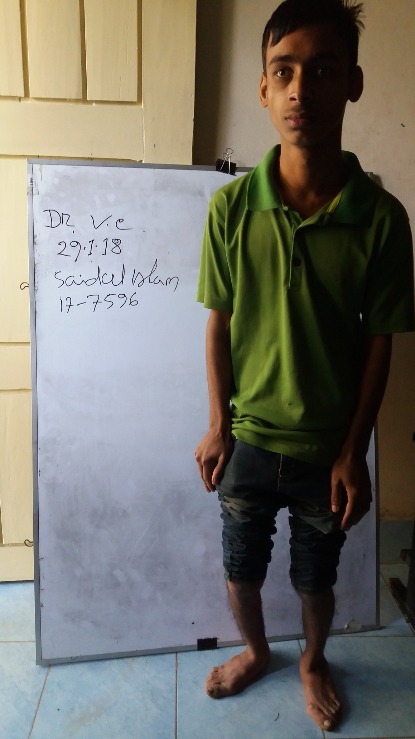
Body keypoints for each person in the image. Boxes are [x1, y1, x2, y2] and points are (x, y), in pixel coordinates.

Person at [194, 0, 415, 731]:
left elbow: (380, 341)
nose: (300, 90)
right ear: (263, 88)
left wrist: (355, 450)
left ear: (352, 83)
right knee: (241, 566)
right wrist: (217, 425)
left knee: (316, 576)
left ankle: (313, 658)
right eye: (283, 72)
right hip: (249, 438)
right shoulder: (231, 210)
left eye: (322, 71)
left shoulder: (381, 219)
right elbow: (219, 323)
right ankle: (257, 649)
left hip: (328, 448)